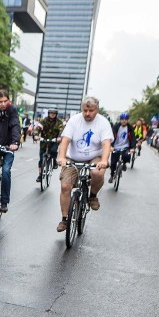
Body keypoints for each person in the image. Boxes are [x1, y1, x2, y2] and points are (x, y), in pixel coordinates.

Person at [55, 96, 113, 232]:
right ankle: (65, 219)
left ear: (97, 110)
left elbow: (106, 144)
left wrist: (104, 161)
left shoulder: (103, 123)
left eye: (91, 110)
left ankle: (92, 195)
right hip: (73, 157)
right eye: (85, 110)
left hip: (94, 156)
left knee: (97, 172)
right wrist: (62, 157)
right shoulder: (74, 120)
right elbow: (65, 141)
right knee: (65, 186)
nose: (87, 114)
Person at [35, 108, 64, 182]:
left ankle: (54, 161)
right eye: (51, 113)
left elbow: (61, 130)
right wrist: (36, 135)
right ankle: (40, 175)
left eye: (54, 114)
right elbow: (38, 128)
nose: (52, 115)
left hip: (54, 141)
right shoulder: (43, 120)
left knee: (53, 151)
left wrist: (59, 137)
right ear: (48, 114)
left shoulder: (59, 122)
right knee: (41, 159)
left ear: (56, 114)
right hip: (44, 140)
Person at [109, 112, 136, 181]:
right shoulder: (115, 127)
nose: (124, 121)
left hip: (126, 146)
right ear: (120, 120)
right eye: (122, 119)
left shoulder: (130, 128)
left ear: (127, 120)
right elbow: (110, 137)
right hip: (115, 146)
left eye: (125, 119)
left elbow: (133, 138)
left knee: (127, 155)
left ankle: (124, 163)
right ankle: (112, 175)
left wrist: (132, 147)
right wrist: (111, 146)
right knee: (113, 163)